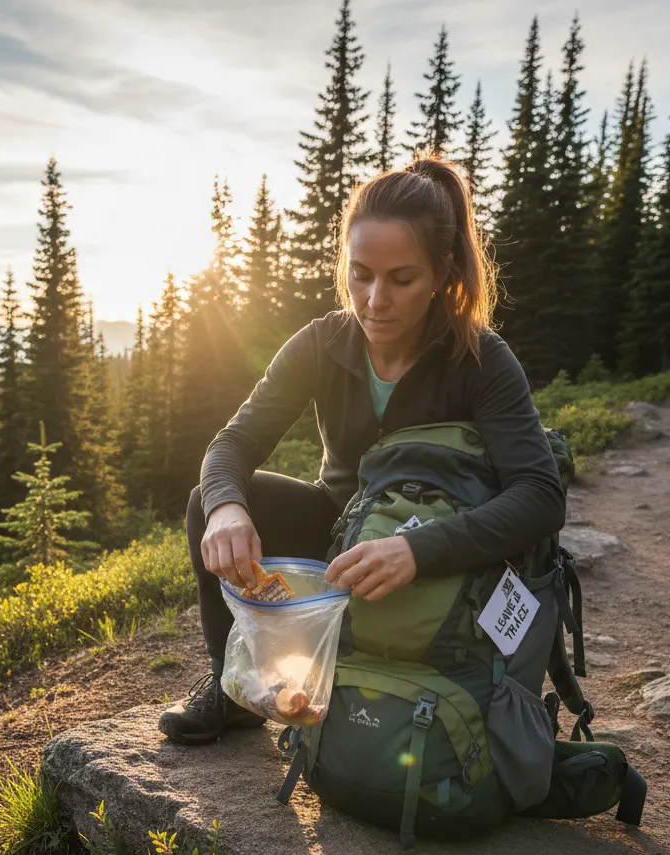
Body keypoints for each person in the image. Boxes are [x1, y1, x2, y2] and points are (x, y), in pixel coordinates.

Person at [158, 153, 566, 744]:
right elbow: (234, 442)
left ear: (442, 274)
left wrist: (417, 551)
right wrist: (226, 506)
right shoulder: (321, 344)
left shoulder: (480, 359)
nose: (375, 299)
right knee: (207, 500)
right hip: (340, 535)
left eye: (402, 279)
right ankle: (236, 687)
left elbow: (539, 496)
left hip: (443, 553)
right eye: (360, 274)